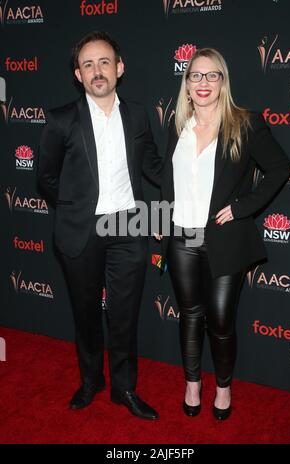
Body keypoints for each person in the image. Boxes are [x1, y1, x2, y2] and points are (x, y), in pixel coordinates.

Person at [158, 48, 290, 420]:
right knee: (189, 314)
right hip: (182, 236)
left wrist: (243, 207)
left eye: (211, 75)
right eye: (195, 75)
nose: (203, 82)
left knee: (219, 319)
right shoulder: (176, 126)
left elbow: (280, 168)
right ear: (186, 84)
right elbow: (169, 182)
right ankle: (193, 383)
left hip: (224, 238)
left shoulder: (244, 124)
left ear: (222, 82)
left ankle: (224, 386)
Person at [37, 31, 162, 420]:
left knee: (124, 315)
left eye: (104, 62)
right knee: (86, 313)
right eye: (87, 64)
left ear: (119, 68)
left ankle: (124, 388)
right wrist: (76, 210)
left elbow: (153, 164)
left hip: (129, 225)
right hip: (81, 230)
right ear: (78, 74)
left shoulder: (138, 114)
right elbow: (46, 178)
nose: (97, 71)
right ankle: (91, 380)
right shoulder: (60, 120)